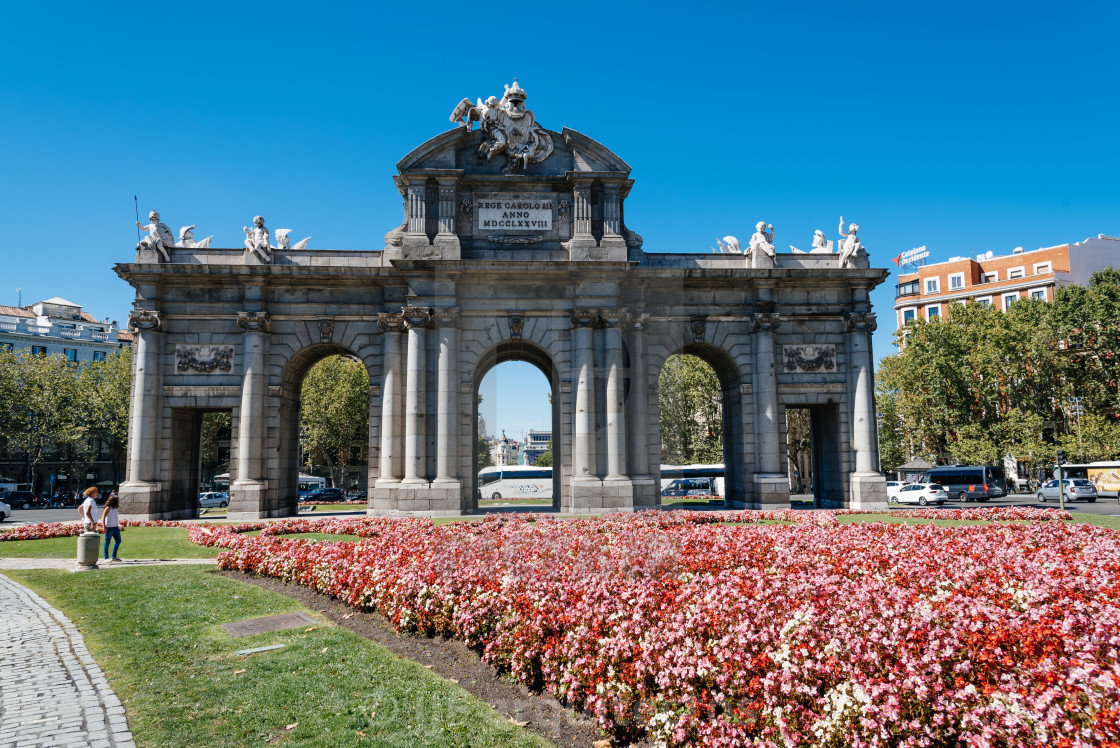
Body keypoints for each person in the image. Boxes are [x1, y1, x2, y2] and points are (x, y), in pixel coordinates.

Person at [99, 493, 122, 562]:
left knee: (118, 541)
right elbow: (102, 517)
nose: (119, 501)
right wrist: (104, 527)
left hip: (115, 527)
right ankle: (106, 558)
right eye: (118, 500)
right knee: (107, 542)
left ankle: (113, 556)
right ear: (115, 501)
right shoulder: (108, 508)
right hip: (109, 527)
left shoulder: (115, 508)